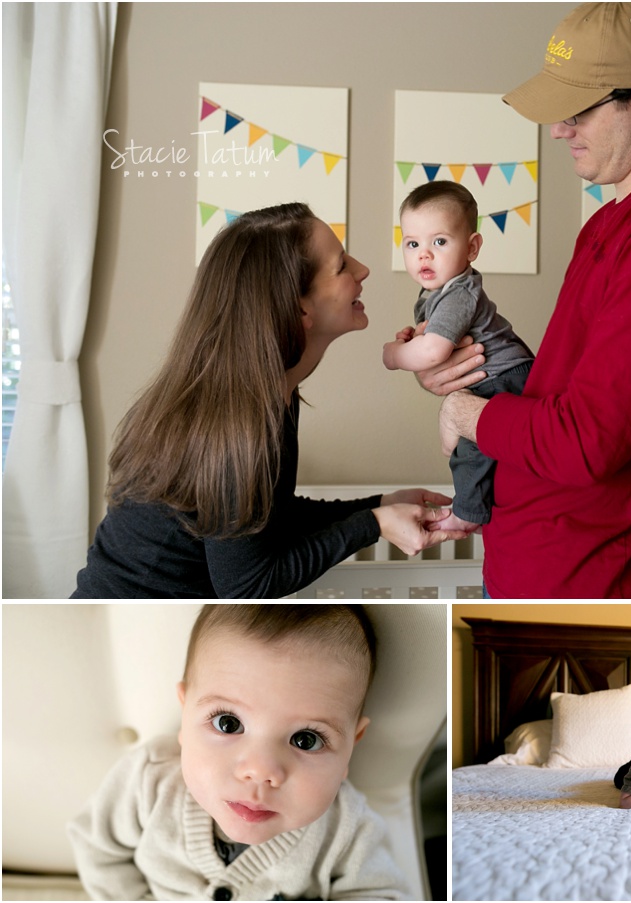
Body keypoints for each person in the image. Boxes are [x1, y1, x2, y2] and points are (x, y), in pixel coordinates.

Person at [423, 2, 631, 598]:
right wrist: (464, 372)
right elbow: (563, 391)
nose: (558, 129)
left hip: (590, 576)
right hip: (538, 560)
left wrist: (469, 415)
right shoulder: (614, 220)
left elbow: (588, 440)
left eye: (577, 111)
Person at [71, 202, 468, 598]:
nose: (362, 269)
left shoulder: (269, 397)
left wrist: (380, 504)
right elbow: (247, 584)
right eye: (341, 265)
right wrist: (375, 525)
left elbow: (265, 521)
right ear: (299, 308)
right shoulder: (236, 425)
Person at [68, 603, 411, 899]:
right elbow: (99, 849)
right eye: (228, 724)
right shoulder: (148, 781)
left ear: (352, 745)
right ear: (185, 716)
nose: (260, 770)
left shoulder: (347, 826)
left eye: (306, 739)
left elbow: (380, 893)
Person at [383, 181, 533, 533]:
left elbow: (435, 350)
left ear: (472, 247)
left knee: (471, 445)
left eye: (439, 241)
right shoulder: (439, 292)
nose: (424, 254)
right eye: (412, 243)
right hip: (501, 372)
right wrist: (414, 340)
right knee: (486, 448)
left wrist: (395, 355)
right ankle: (482, 505)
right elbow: (432, 342)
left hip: (504, 374)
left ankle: (468, 513)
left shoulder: (457, 292)